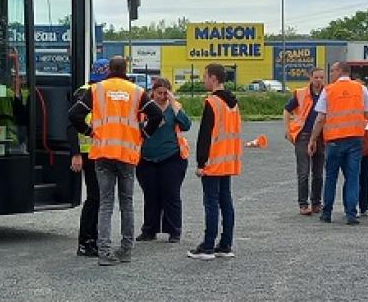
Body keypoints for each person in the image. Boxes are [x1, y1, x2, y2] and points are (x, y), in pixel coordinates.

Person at [68, 56, 162, 266]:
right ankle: (126, 250)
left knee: (105, 203)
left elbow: (74, 114)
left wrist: (90, 131)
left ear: (109, 69)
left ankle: (103, 252)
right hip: (127, 154)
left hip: (103, 153)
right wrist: (143, 135)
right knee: (126, 203)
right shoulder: (137, 92)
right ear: (126, 68)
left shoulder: (96, 90)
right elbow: (156, 115)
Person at [308, 61, 368, 225]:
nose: (330, 74)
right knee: (352, 177)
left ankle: (327, 213)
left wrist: (313, 139)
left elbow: (320, 118)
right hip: (355, 139)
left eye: (332, 70)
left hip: (334, 140)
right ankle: (351, 214)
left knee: (331, 177)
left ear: (340, 71)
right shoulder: (361, 89)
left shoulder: (328, 90)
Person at [188, 63, 241, 260]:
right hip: (228, 160)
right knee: (226, 202)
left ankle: (208, 245)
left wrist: (201, 163)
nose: (204, 80)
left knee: (211, 203)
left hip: (213, 161)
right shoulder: (233, 103)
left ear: (213, 78)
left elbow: (205, 135)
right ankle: (225, 244)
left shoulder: (212, 102)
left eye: (205, 76)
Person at [136, 77, 191, 243]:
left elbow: (186, 125)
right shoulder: (144, 109)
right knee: (150, 195)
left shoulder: (174, 108)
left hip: (172, 156)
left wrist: (174, 105)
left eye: (165, 93)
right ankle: (149, 230)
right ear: (152, 92)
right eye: (158, 93)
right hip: (147, 158)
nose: (161, 96)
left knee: (171, 194)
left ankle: (174, 230)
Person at [67, 58, 111, 257]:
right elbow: (70, 125)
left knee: (98, 197)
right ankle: (85, 241)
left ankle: (92, 238)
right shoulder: (86, 93)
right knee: (95, 197)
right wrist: (75, 153)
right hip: (89, 152)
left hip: (97, 151)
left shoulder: (92, 91)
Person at [284, 67, 326, 215]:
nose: (319, 80)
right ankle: (303, 204)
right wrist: (288, 130)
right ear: (310, 77)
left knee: (319, 173)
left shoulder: (327, 93)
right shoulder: (301, 93)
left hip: (322, 137)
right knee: (303, 172)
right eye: (316, 77)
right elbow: (287, 109)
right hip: (303, 135)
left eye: (321, 77)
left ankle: (316, 203)